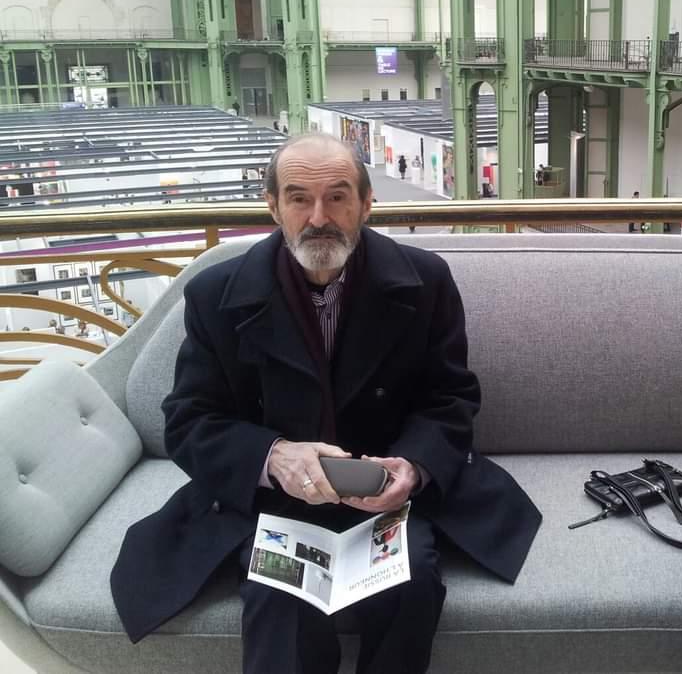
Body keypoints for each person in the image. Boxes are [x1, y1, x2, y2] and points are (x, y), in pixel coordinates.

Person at [110, 134, 541, 674]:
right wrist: (274, 456)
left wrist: (412, 467)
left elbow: (450, 397)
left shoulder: (425, 281)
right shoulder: (215, 294)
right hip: (275, 501)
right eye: (299, 198)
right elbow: (189, 418)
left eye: (337, 197)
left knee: (411, 587)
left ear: (366, 203)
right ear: (273, 206)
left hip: (387, 498)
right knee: (280, 604)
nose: (319, 218)